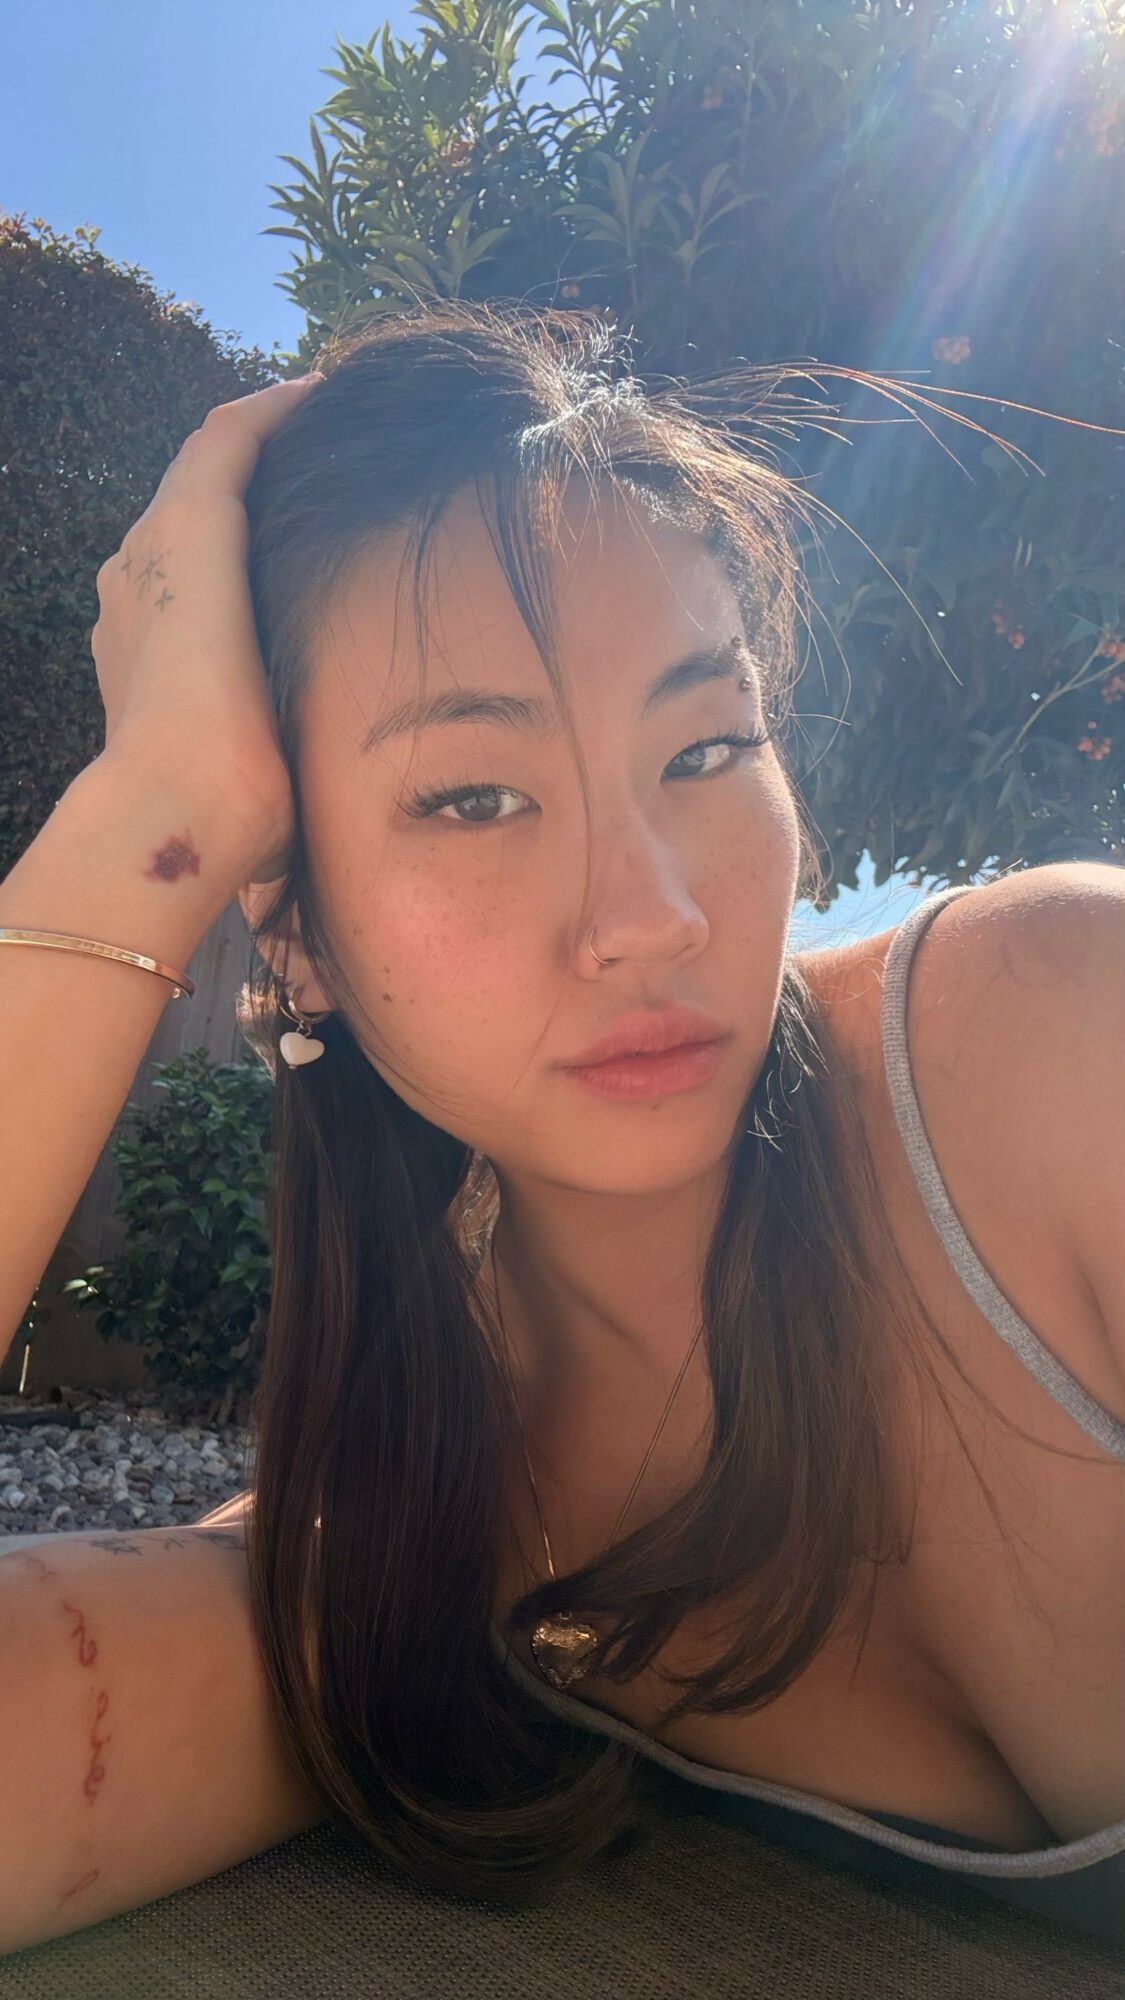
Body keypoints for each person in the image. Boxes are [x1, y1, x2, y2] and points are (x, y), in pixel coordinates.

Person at [0, 301, 1122, 1957]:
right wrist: (144, 821)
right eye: (473, 795)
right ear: (293, 931)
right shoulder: (425, 1528)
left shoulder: (1052, 1035)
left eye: (706, 747)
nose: (652, 914)